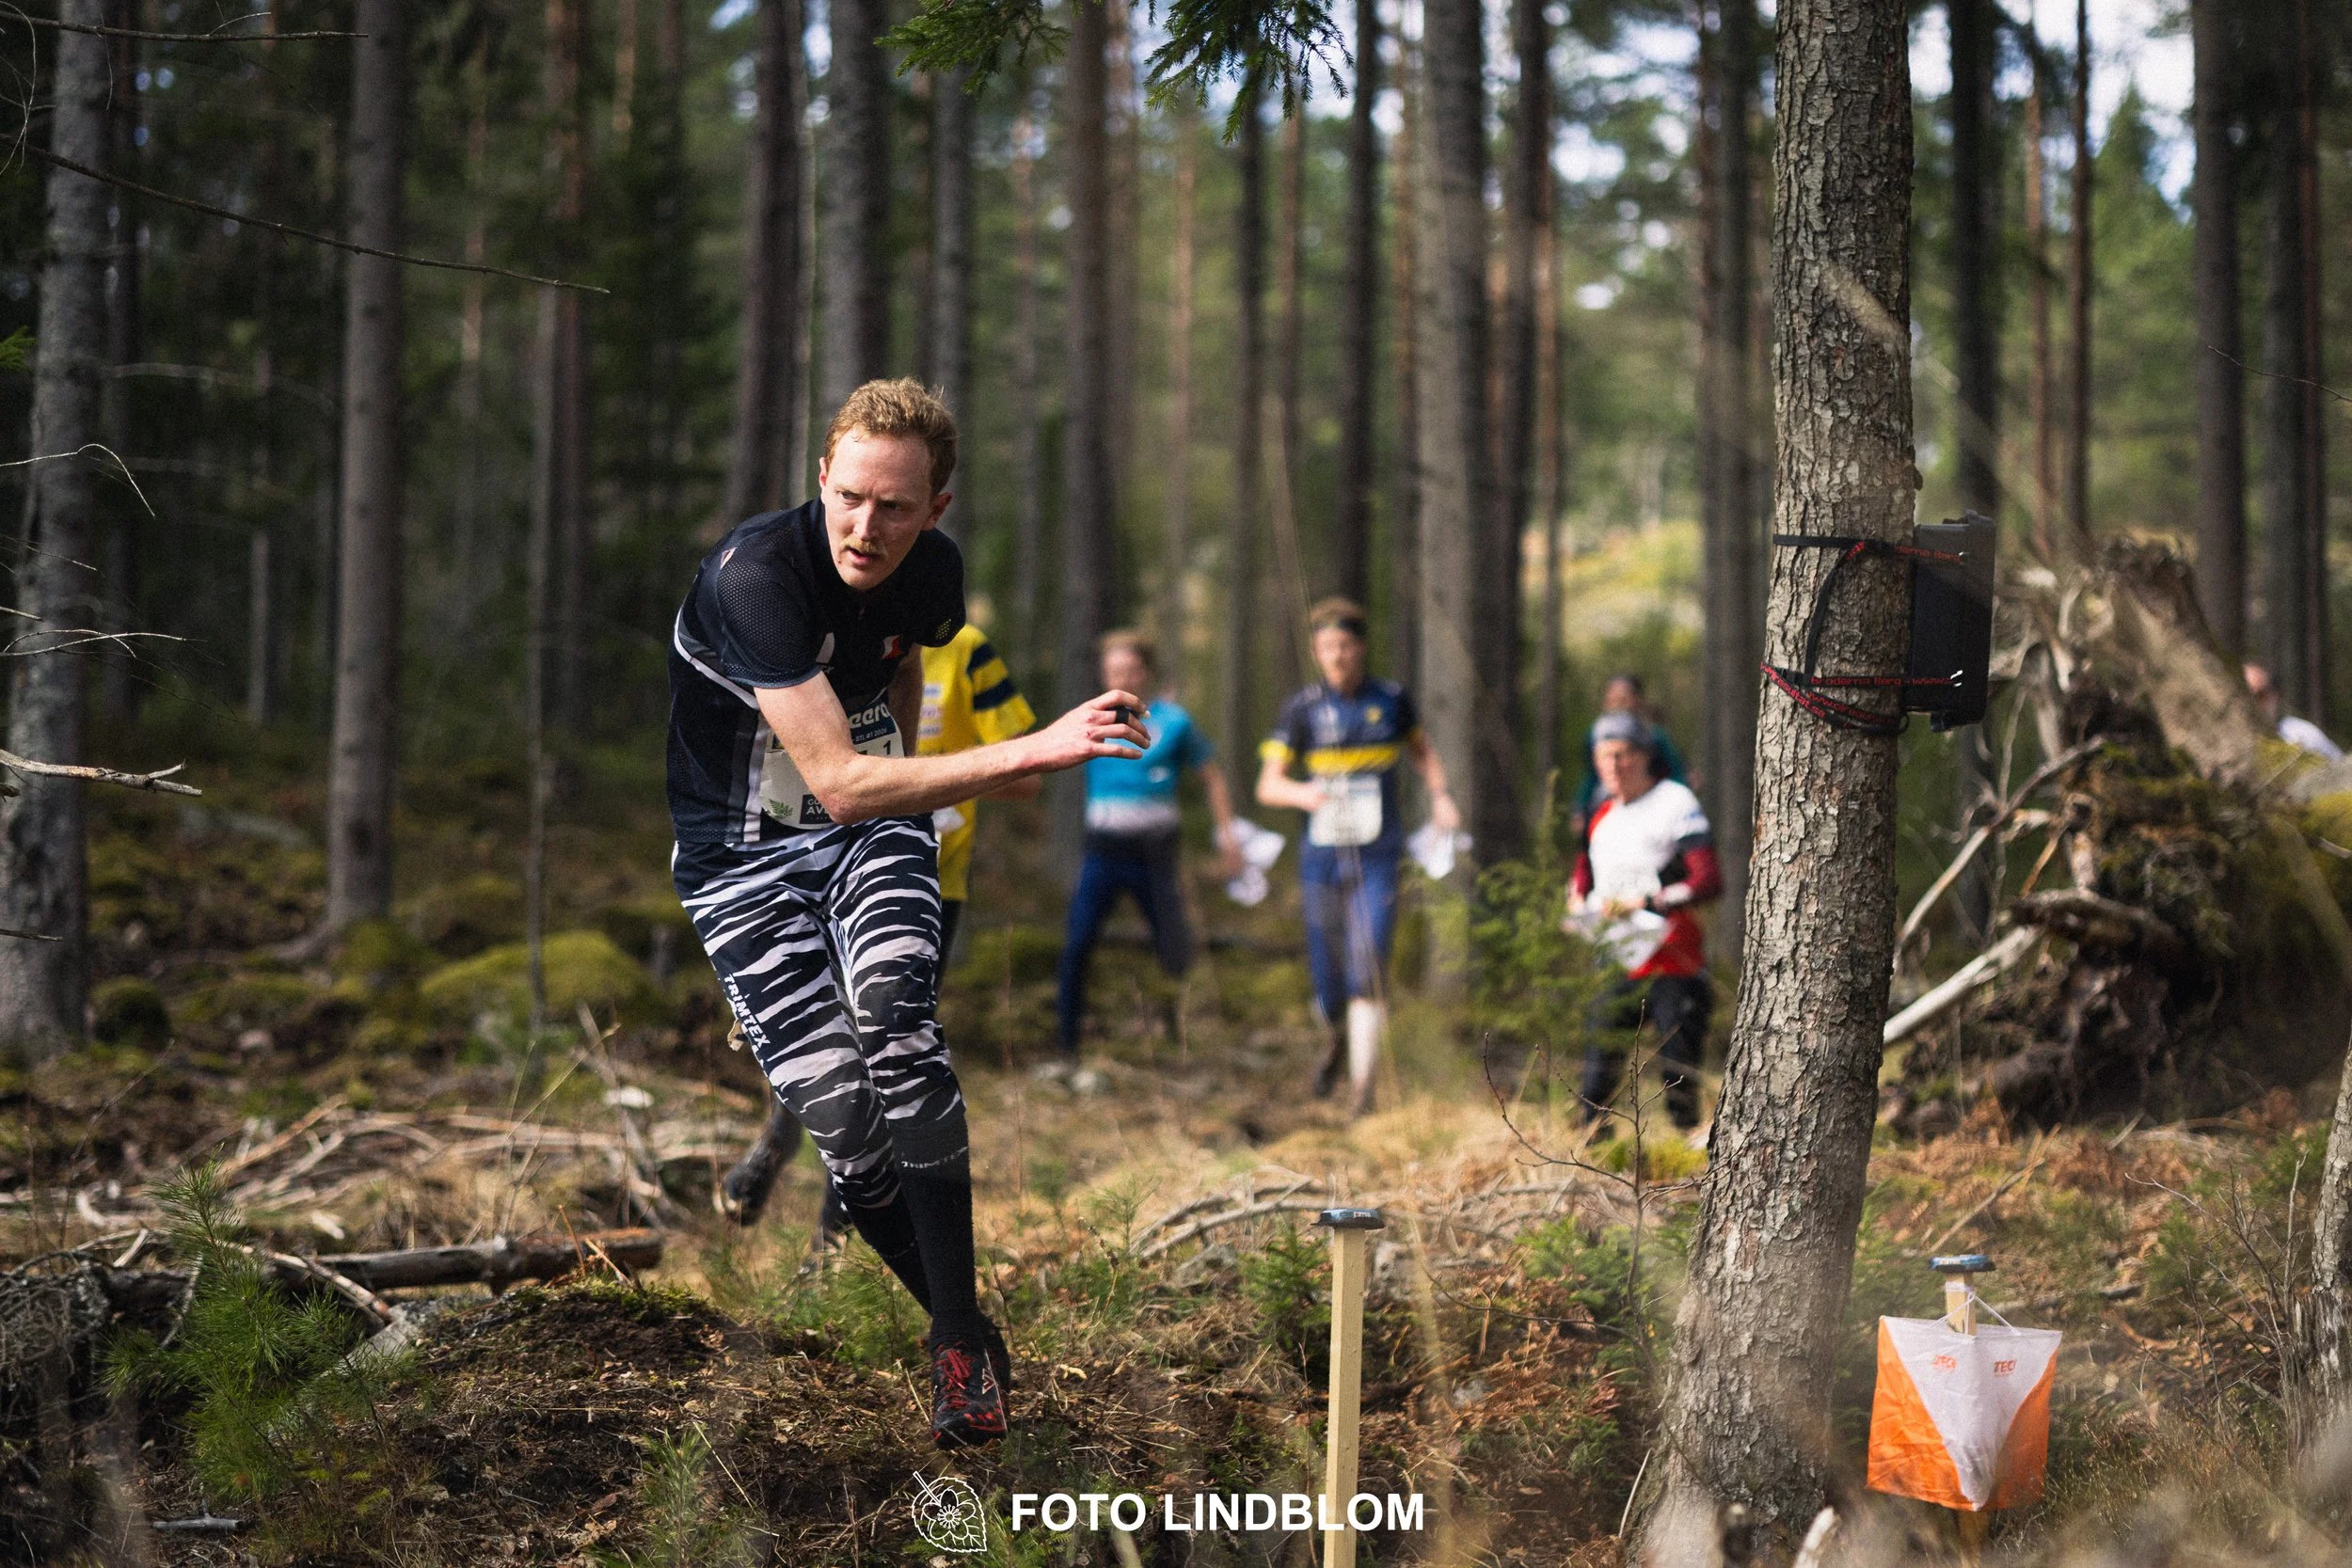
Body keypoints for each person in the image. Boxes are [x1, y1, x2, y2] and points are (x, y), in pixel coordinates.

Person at [666, 378, 1146, 1449]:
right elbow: (832, 774)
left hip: (868, 825)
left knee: (894, 1010)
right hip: (740, 855)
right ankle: (957, 1312)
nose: (863, 527)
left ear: (935, 506)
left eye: (893, 506)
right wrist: (1033, 748)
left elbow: (902, 691)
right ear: (820, 478)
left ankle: (957, 1346)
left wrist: (926, 783)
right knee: (837, 1113)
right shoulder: (758, 578)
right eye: (847, 497)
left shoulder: (933, 570)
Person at [715, 622, 1038, 1253]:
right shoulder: (836, 632)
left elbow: (1026, 777)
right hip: (825, 871)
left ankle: (828, 1246)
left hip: (929, 884)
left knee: (880, 1058)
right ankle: (780, 1136)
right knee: (813, 1033)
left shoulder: (967, 650)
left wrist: (919, 781)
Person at [1256, 598, 1460, 1116]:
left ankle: (1362, 1095)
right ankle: (1334, 1038)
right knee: (1327, 978)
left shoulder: (1391, 699)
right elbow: (1268, 786)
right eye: (1328, 647)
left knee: (1368, 966)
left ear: (1361, 647)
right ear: (1315, 651)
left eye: (1346, 646)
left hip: (1378, 858)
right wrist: (1303, 795)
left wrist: (1441, 796)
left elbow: (1423, 751)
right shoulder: (1300, 709)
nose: (1338, 656)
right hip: (1321, 859)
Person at [1055, 631, 1242, 1059]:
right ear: (1104, 673)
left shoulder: (1174, 721)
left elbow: (1210, 775)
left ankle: (1175, 1036)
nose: (1123, 676)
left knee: (1172, 944)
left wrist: (1228, 836)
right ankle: (1067, 1043)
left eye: (1131, 669)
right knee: (1078, 941)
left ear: (1147, 672)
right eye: (1115, 669)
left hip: (1156, 852)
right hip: (1102, 849)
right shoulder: (1089, 718)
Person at [1563, 711, 1722, 1132]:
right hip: (1616, 956)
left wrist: (1649, 901)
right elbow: (1585, 867)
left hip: (1672, 956)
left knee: (1678, 1073)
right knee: (1597, 1074)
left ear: (1645, 755)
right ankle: (1599, 1157)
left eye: (1623, 755)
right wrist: (1576, 898)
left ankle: (1690, 1157)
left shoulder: (1675, 802)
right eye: (1603, 757)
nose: (1613, 767)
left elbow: (1707, 880)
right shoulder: (1599, 807)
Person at [1571, 674, 1689, 834]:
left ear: (1638, 700)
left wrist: (1679, 802)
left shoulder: (1654, 734)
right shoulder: (1595, 736)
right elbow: (1591, 776)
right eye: (1612, 699)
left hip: (1650, 802)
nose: (1618, 704)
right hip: (1608, 801)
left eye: (1624, 698)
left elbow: (1675, 770)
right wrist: (1580, 806)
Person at [2245, 661, 2344, 761]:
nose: (2252, 705)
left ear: (2276, 696)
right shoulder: (2231, 747)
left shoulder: (2303, 735)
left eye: (2260, 696)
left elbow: (2342, 767)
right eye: (2245, 697)